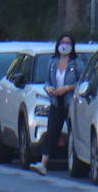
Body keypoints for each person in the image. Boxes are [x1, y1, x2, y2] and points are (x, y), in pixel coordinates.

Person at [31, 33, 81, 175]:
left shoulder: (77, 63)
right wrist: (49, 89)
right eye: (62, 42)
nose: (65, 45)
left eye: (68, 42)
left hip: (70, 102)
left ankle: (77, 164)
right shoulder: (52, 62)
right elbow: (47, 81)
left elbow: (82, 82)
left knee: (73, 133)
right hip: (56, 102)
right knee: (51, 131)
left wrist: (67, 88)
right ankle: (43, 163)